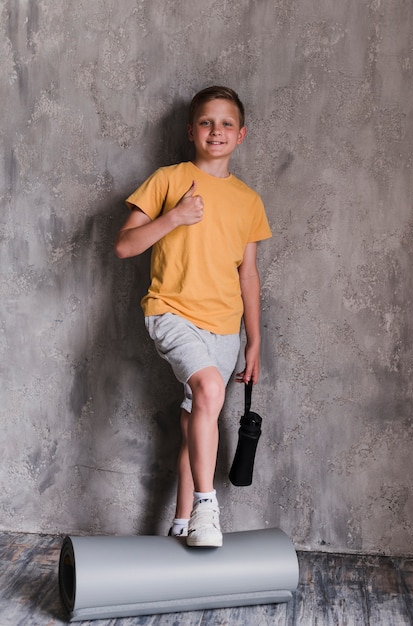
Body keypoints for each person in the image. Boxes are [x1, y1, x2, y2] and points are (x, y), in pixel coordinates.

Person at [115, 86, 271, 547]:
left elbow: (249, 276)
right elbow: (125, 245)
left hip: (225, 327)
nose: (216, 130)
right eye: (206, 122)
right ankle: (207, 506)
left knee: (194, 423)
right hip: (171, 312)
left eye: (226, 123)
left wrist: (254, 340)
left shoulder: (248, 200)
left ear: (240, 135)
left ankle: (180, 524)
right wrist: (175, 217)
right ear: (190, 131)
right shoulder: (168, 180)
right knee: (205, 391)